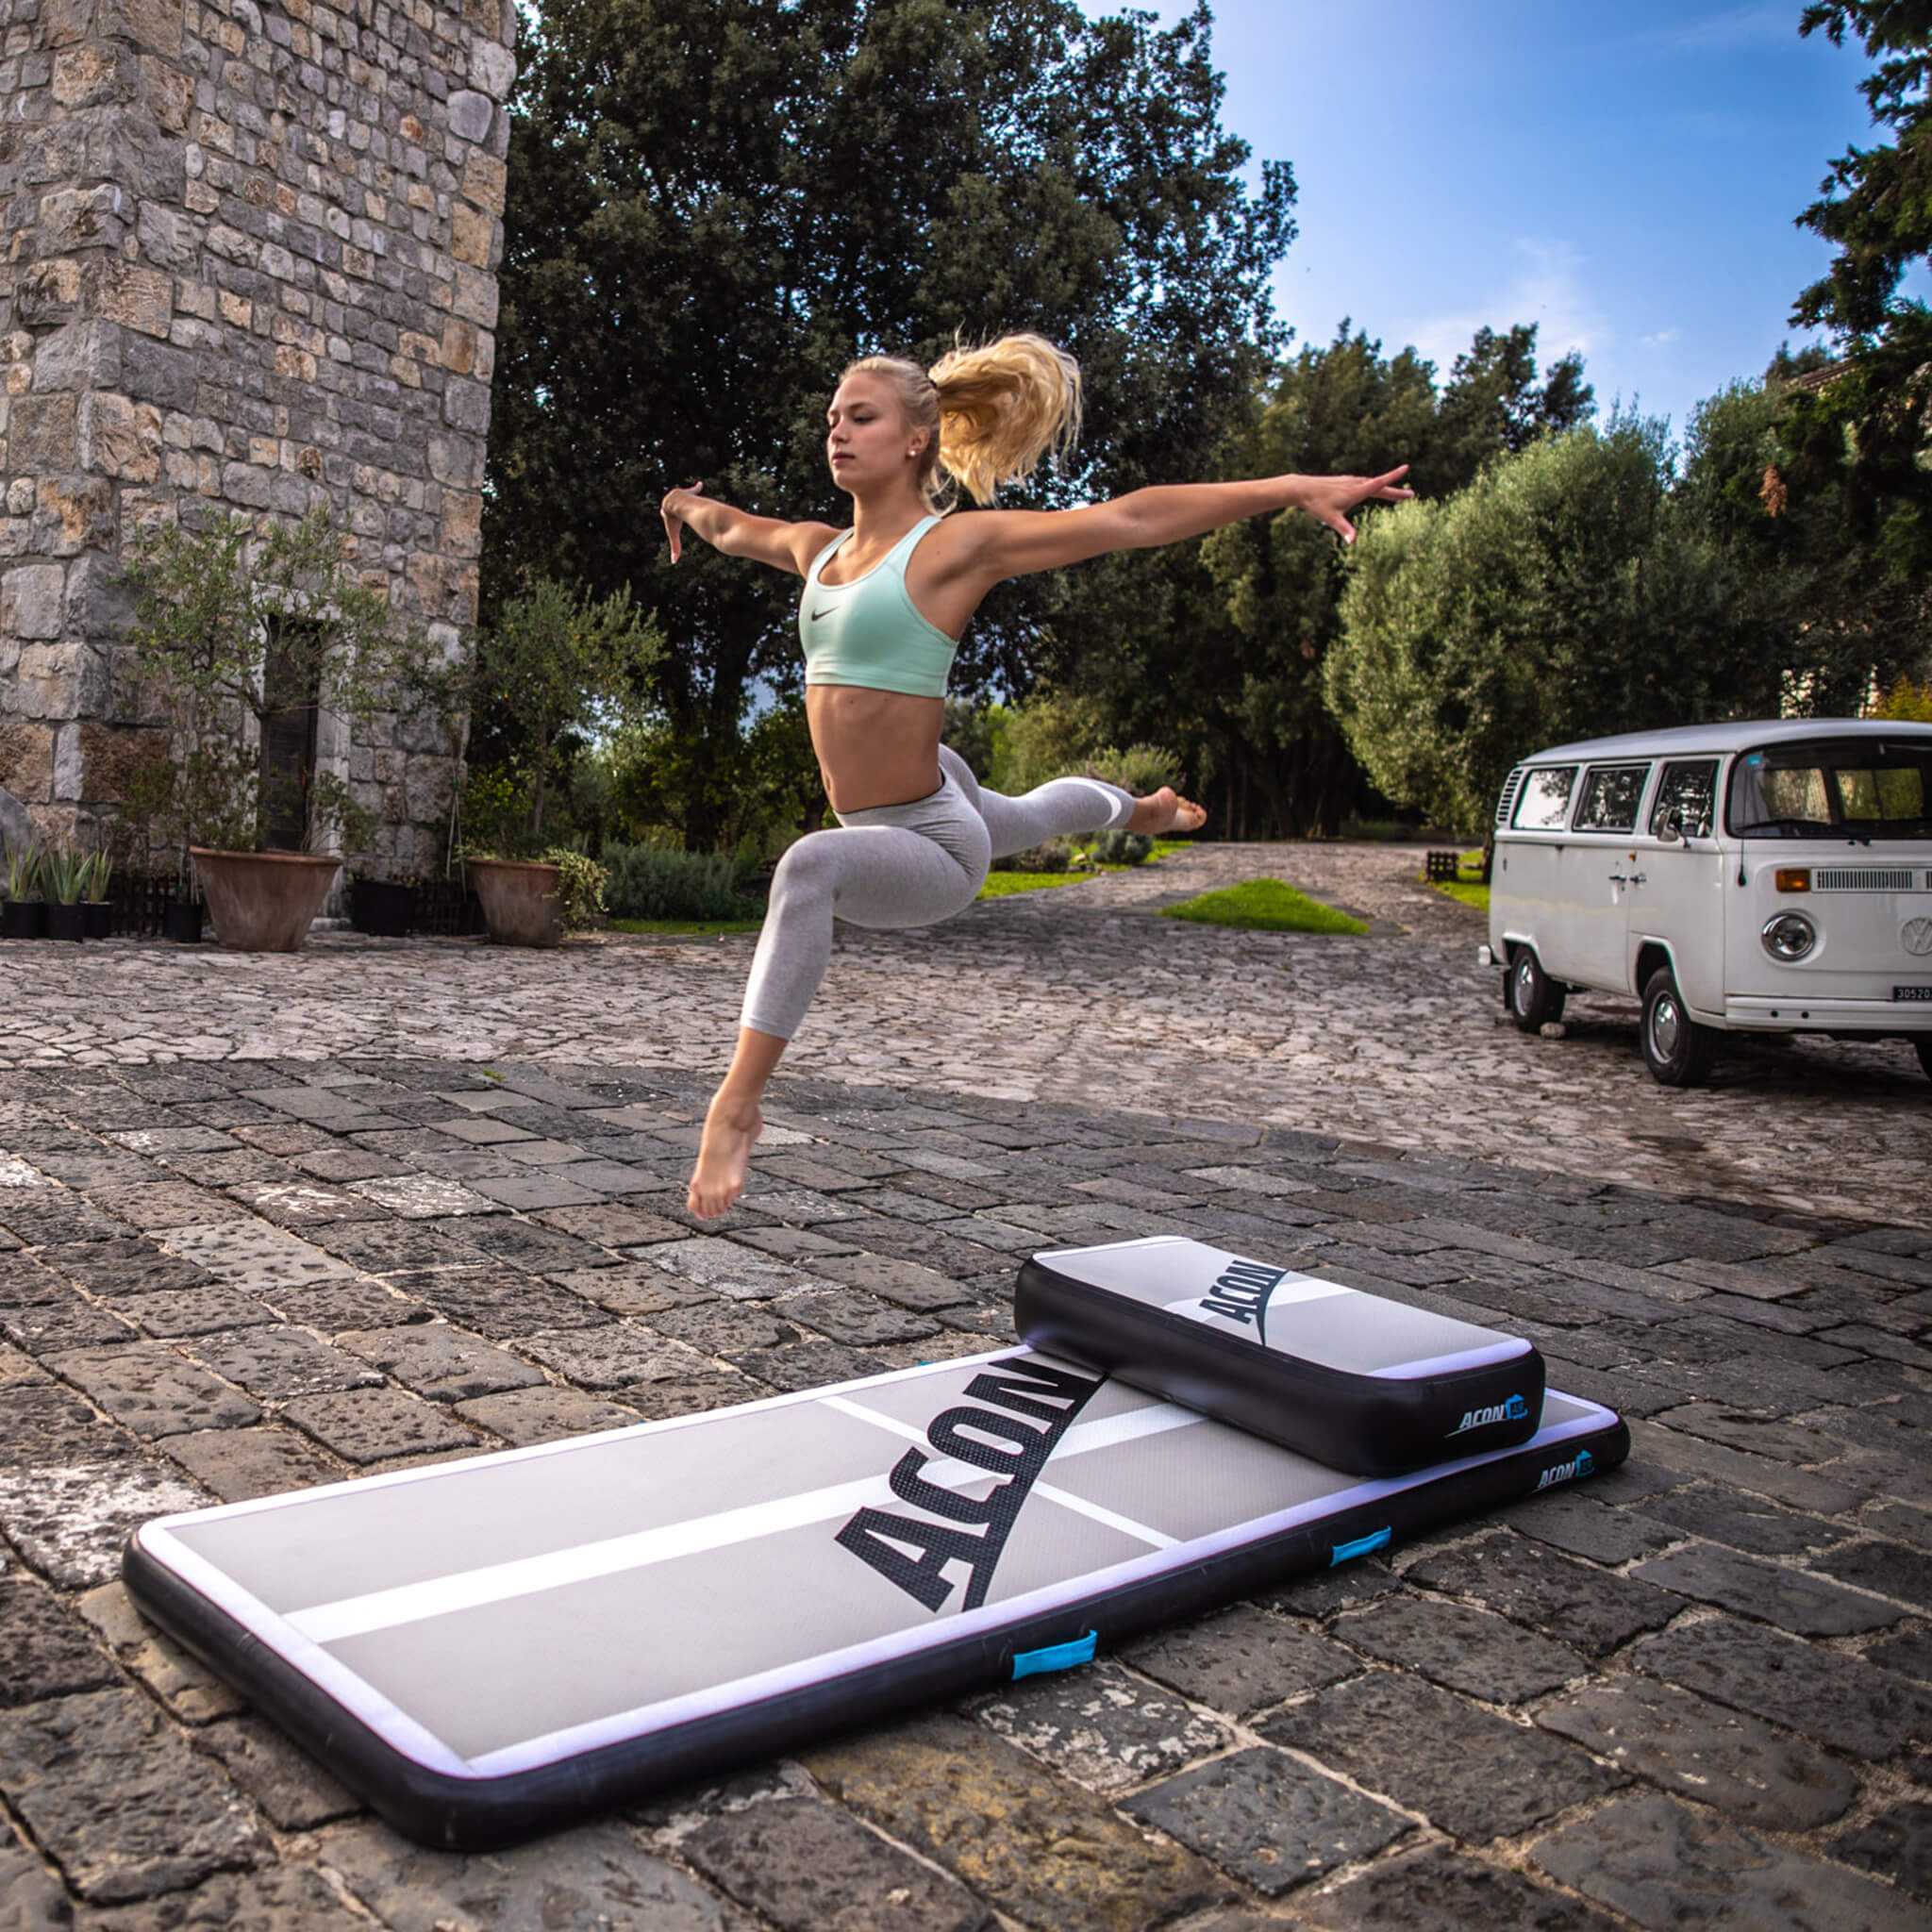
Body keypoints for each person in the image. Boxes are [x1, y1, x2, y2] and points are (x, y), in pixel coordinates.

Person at [660, 333, 1411, 1218]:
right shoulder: (816, 552)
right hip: (929, 791)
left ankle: (738, 1105)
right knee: (1018, 811)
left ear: (915, 440)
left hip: (934, 849)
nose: (837, 431)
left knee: (810, 866)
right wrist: (681, 504)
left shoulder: (956, 547)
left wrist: (1288, 488)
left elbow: (1130, 519)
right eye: (832, 418)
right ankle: (1139, 811)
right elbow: (729, 527)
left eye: (861, 417)